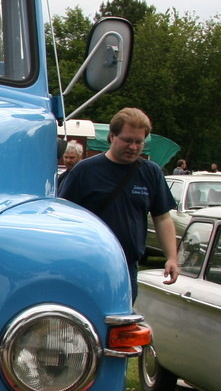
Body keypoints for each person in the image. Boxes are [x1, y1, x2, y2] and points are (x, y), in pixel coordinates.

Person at [59, 107, 179, 301]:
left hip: (126, 267)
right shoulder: (85, 170)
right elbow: (63, 217)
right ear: (112, 136)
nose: (133, 147)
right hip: (88, 265)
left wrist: (172, 258)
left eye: (139, 142)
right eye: (127, 140)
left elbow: (162, 218)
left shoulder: (151, 172)